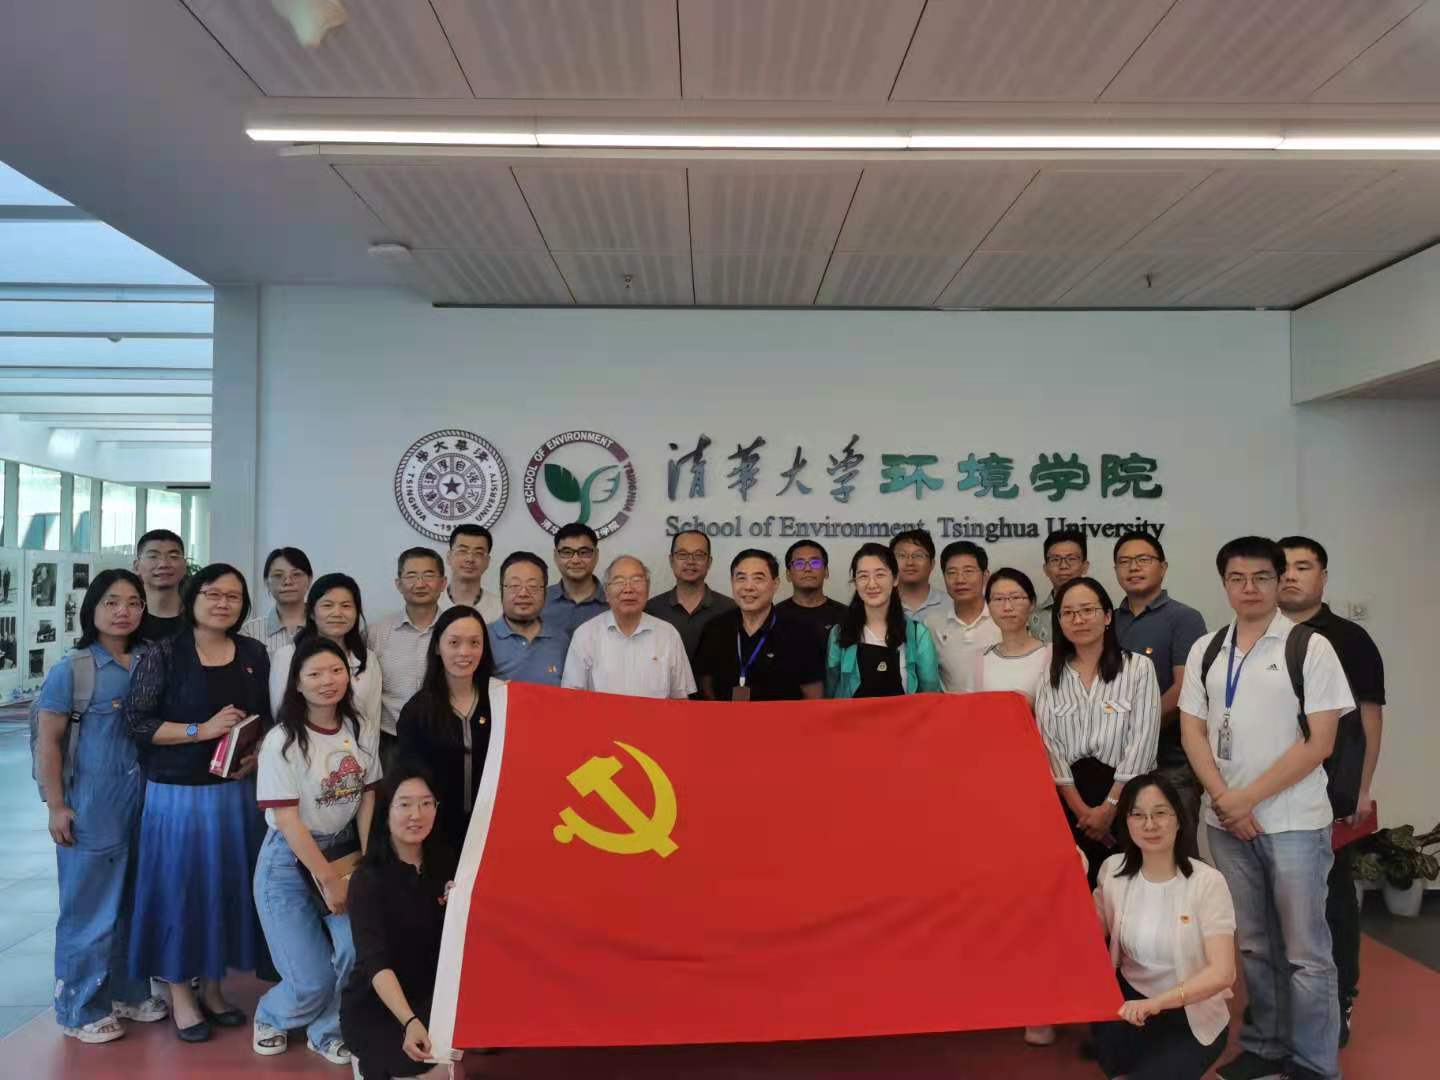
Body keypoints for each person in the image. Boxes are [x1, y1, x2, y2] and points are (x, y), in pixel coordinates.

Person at [1179, 536, 1353, 1080]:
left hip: (1293, 822)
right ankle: (1265, 1045)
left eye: (1261, 577)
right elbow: (1192, 730)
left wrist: (1245, 799)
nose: (1249, 588)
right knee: (1253, 944)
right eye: (1237, 578)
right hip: (1227, 825)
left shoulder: (1309, 647)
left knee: (1305, 952)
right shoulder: (1207, 648)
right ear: (1224, 584)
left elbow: (1320, 741)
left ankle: (1314, 1063)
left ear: (1280, 582)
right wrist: (1224, 801)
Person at [125, 563, 272, 1043]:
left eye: (233, 596)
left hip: (234, 794)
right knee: (179, 892)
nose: (223, 603)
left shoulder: (253, 653)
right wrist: (200, 730)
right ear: (193, 598)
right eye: (213, 593)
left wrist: (256, 754)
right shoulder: (164, 654)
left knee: (225, 890)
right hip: (177, 797)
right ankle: (180, 995)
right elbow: (137, 723)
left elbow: (266, 718)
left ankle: (212, 988)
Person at [34, 569, 169, 1043]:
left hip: (145, 802)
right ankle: (78, 1009)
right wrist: (56, 805)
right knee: (88, 910)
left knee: (132, 903)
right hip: (91, 805)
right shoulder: (72, 670)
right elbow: (48, 742)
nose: (123, 611)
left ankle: (127, 993)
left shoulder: (151, 661)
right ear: (92, 609)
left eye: (133, 602)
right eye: (111, 602)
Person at [1277, 534, 1386, 1049]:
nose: (1291, 575)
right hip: (1268, 793)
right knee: (1276, 902)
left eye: (1303, 566)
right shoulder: (1257, 635)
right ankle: (1283, 1002)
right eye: (1283, 567)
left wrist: (1362, 788)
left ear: (1323, 576)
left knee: (1331, 900)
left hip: (1331, 793)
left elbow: (1369, 716)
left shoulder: (1349, 638)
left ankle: (1339, 999)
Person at [253, 637, 380, 1064]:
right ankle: (272, 1015)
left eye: (337, 670)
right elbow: (288, 820)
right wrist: (327, 879)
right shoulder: (282, 741)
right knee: (311, 980)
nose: (328, 681)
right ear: (297, 683)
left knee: (354, 951)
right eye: (315, 674)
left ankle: (327, 1031)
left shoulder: (360, 727)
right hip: (289, 860)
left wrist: (367, 860)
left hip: (343, 851)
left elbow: (367, 796)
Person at [1091, 772, 1237, 1080]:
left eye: (1160, 813)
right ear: (1126, 822)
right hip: (1129, 1006)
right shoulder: (1112, 871)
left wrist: (1157, 1004)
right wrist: (1072, 871)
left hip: (1188, 1013)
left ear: (1179, 819)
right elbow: (1086, 938)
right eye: (1138, 815)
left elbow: (1224, 973)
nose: (1150, 825)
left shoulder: (1207, 883)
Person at [1035, 576, 1160, 888]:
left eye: (1087, 610)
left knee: (1127, 887)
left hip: (1127, 794)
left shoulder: (1138, 668)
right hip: (1071, 800)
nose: (1078, 620)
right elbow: (1051, 748)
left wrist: (1110, 807)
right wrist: (1081, 811)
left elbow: (1142, 741)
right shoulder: (1051, 677)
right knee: (1076, 888)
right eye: (1068, 613)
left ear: (1106, 616)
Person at [341, 766, 458, 1080]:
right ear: (385, 812)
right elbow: (375, 963)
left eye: (426, 803)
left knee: (456, 1066)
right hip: (378, 1005)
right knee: (427, 1068)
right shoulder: (366, 879)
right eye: (404, 804)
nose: (416, 815)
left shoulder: (448, 865)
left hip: (432, 998)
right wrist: (409, 1021)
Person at [1111, 531, 1208, 843]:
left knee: (1175, 853)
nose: (1133, 568)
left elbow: (1184, 689)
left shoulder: (1185, 618)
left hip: (1170, 763)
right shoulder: (1108, 621)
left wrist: (1135, 728)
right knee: (1126, 854)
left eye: (1143, 560)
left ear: (1163, 567)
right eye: (1124, 561)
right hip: (1116, 764)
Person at [397, 605, 493, 854]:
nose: (464, 652)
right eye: (454, 643)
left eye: (474, 643)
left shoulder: (499, 702)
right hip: (435, 835)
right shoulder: (417, 711)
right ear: (438, 647)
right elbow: (407, 779)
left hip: (491, 830)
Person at [694, 549, 823, 701]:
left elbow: (813, 696)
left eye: (758, 578)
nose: (748, 587)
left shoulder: (801, 633)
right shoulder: (715, 628)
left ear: (775, 584)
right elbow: (705, 685)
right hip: (725, 716)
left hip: (783, 717)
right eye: (741, 578)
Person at [561, 557, 695, 699]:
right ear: (606, 591)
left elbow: (680, 699)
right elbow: (571, 698)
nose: (628, 589)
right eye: (619, 581)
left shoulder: (668, 634)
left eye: (636, 580)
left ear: (648, 589)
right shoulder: (585, 635)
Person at [270, 574, 382, 740]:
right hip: (301, 747)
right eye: (327, 605)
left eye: (346, 606)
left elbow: (372, 718)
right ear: (312, 613)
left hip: (355, 751)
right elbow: (281, 714)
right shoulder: (287, 655)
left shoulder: (367, 658)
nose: (337, 613)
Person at [824, 543, 941, 698]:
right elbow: (832, 690)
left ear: (895, 579)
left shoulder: (917, 634)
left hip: (904, 714)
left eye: (880, 575)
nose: (872, 584)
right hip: (852, 715)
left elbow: (930, 693)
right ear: (855, 582)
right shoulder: (840, 633)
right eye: (863, 576)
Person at [368, 549, 447, 772]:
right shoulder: (376, 633)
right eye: (411, 576)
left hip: (446, 739)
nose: (420, 583)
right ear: (398, 584)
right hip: (392, 743)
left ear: (443, 582)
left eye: (428, 575)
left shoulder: (456, 629)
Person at [644, 529, 736, 662]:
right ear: (671, 560)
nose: (690, 561)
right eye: (682, 554)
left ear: (709, 562)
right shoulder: (651, 609)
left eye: (698, 555)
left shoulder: (730, 609)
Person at [924, 541, 1001, 693]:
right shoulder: (932, 622)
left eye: (968, 571)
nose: (960, 580)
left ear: (985, 575)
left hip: (995, 704)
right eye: (951, 573)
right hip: (951, 706)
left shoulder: (1002, 618)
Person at [487, 552, 567, 687]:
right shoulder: (483, 638)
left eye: (533, 586)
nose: (523, 593)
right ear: (501, 590)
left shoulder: (562, 640)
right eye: (514, 586)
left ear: (545, 592)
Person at [973, 568, 1051, 704]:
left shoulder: (1050, 654)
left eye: (1015, 598)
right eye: (998, 599)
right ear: (988, 606)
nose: (1007, 607)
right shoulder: (981, 658)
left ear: (1032, 603)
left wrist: (1033, 705)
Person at [775, 540, 849, 648]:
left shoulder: (846, 615)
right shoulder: (774, 616)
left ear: (826, 571)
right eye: (799, 564)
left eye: (815, 563)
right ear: (788, 574)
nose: (808, 569)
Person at [541, 523, 608, 639]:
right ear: (555, 556)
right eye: (567, 552)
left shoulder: (614, 601)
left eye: (584, 552)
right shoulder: (539, 600)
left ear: (596, 555)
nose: (576, 560)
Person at [241, 547, 313, 655]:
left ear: (310, 579)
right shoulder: (250, 631)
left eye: (296, 574)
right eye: (278, 575)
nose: (288, 582)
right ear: (266, 582)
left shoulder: (324, 626)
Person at [1029, 528, 1090, 643]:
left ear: (1085, 566)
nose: (1063, 566)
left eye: (1071, 559)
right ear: (1046, 569)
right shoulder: (1031, 617)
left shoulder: (1101, 613)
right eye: (1055, 559)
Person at [134, 528, 187, 641]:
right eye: (153, 556)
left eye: (173, 557)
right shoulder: (127, 617)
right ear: (136, 566)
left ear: (185, 566)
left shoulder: (198, 618)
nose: (163, 564)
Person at [442, 525, 501, 624]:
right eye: (462, 551)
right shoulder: (432, 604)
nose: (470, 559)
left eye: (478, 553)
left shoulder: (500, 610)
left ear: (487, 561)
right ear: (449, 557)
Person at [889, 528, 947, 621]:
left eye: (918, 555)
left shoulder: (950, 604)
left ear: (932, 564)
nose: (910, 562)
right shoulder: (880, 604)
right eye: (901, 555)